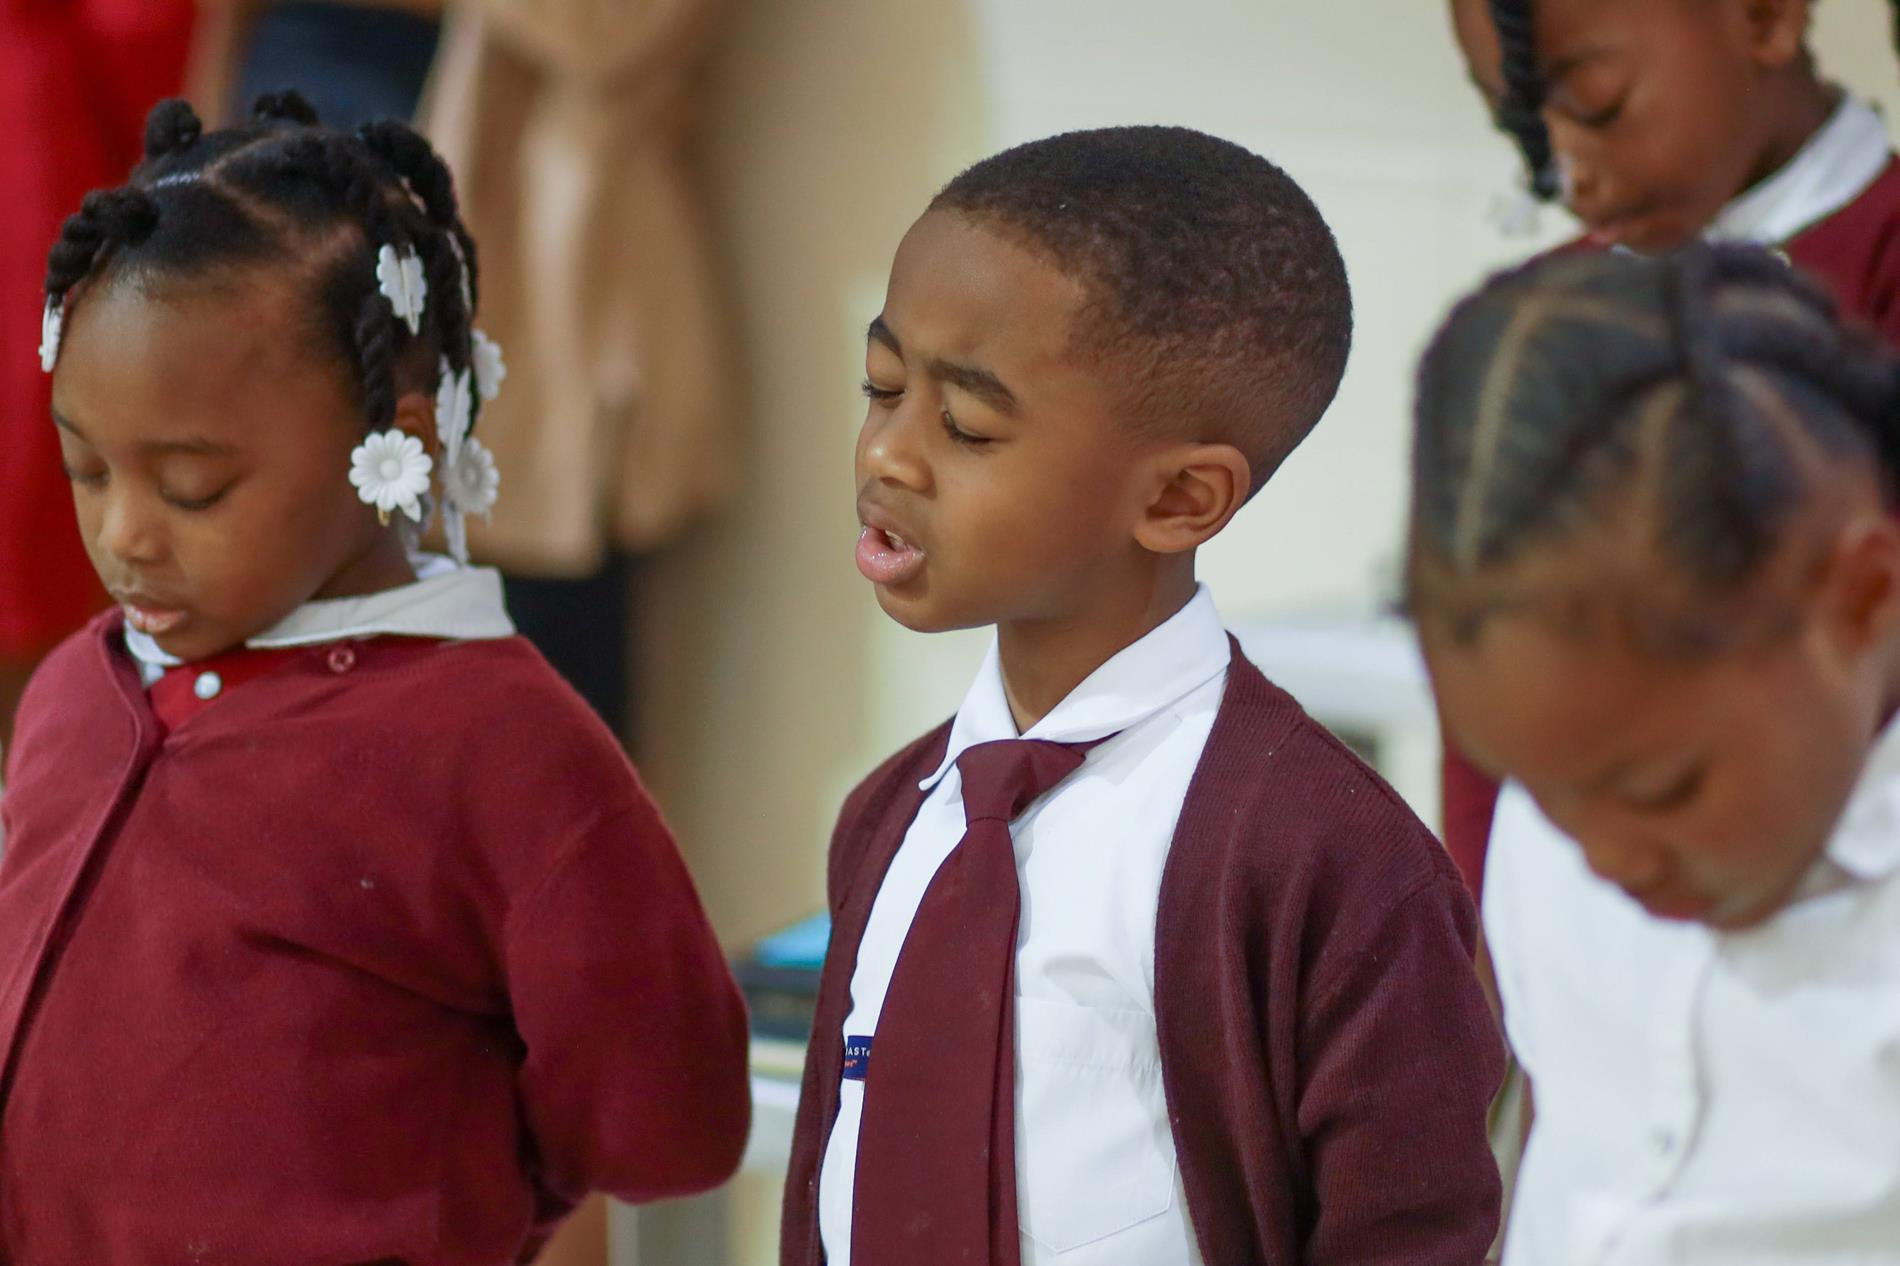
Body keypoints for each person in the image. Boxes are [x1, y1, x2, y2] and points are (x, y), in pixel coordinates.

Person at [0, 92, 749, 1262]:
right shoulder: (69, 693)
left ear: (389, 436)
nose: (126, 536)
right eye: (88, 469)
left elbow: (663, 1121)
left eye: (193, 487)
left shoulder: (500, 745)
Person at [780, 126, 1506, 1266]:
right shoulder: (890, 816)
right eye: (880, 386)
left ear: (1178, 498)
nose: (889, 456)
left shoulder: (1336, 864)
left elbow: (1412, 1231)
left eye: (966, 424)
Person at [1410, 242, 1900, 1262]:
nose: (1607, 861)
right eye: (1542, 796)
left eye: (1666, 790)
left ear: (1861, 604)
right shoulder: (1584, 778)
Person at [1442, 0, 1900, 896]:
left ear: (1765, 19)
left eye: (1601, 106)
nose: (1570, 174)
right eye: (1525, 136)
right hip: (1576, 939)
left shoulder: (1882, 269)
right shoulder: (1540, 314)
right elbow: (1484, 648)